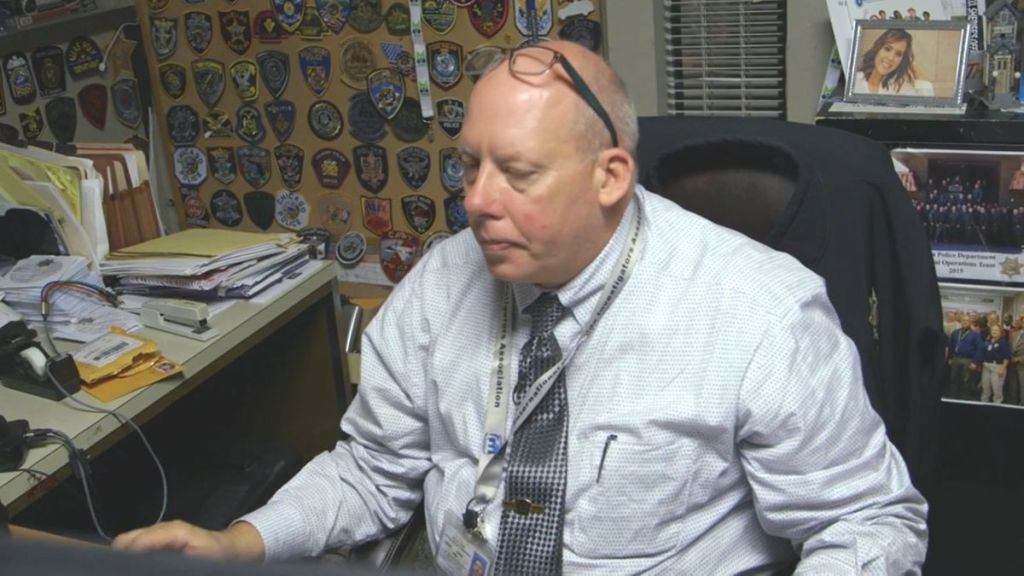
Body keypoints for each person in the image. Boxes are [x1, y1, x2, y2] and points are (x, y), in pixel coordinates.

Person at [113, 41, 927, 573]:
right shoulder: (441, 285)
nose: (476, 203)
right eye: (470, 167)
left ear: (610, 177)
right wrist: (238, 541)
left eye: (518, 173)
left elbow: (869, 525)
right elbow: (371, 473)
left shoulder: (758, 313)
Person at [854, 29, 935, 96]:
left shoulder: (901, 89)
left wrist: (916, 71)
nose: (891, 58)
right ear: (878, 49)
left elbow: (927, 109)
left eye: (898, 54)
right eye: (887, 49)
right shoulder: (853, 81)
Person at [978, 323, 1010, 403]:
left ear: (1000, 332)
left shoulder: (1003, 342)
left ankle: (996, 408)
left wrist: (1003, 368)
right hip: (986, 367)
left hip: (997, 367)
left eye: (996, 330)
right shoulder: (988, 340)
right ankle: (983, 407)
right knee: (985, 389)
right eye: (993, 330)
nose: (994, 332)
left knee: (997, 391)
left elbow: (1007, 358)